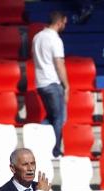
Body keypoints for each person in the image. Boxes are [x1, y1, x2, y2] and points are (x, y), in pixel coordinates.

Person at [32, 10, 70, 158]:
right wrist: (66, 85)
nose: (64, 26)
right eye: (64, 23)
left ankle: (39, 139)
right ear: (59, 22)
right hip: (52, 82)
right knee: (60, 118)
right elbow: (59, 64)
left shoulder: (37, 37)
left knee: (52, 116)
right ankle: (55, 150)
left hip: (40, 82)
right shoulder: (55, 39)